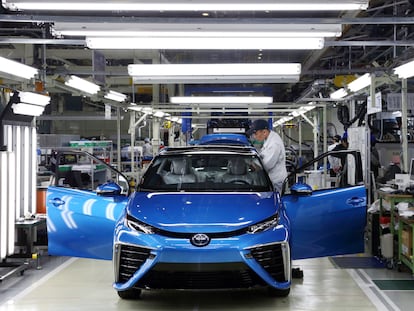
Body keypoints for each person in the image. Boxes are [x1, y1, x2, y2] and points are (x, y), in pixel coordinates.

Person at [248, 119, 287, 193]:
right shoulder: (268, 139)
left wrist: (251, 166)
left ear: (264, 132)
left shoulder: (274, 145)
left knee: (274, 202)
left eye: (255, 133)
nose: (254, 136)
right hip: (271, 180)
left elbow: (265, 166)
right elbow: (263, 155)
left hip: (275, 182)